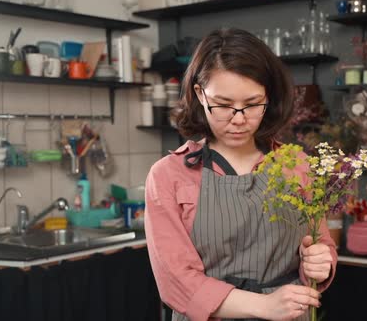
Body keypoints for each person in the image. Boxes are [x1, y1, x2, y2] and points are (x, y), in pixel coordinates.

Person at [145, 28, 338, 321]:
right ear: (199, 93)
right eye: (223, 105)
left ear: (268, 97)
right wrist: (264, 306)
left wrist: (321, 262)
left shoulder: (296, 164)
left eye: (251, 105)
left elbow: (320, 243)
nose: (238, 119)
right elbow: (176, 281)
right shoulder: (169, 176)